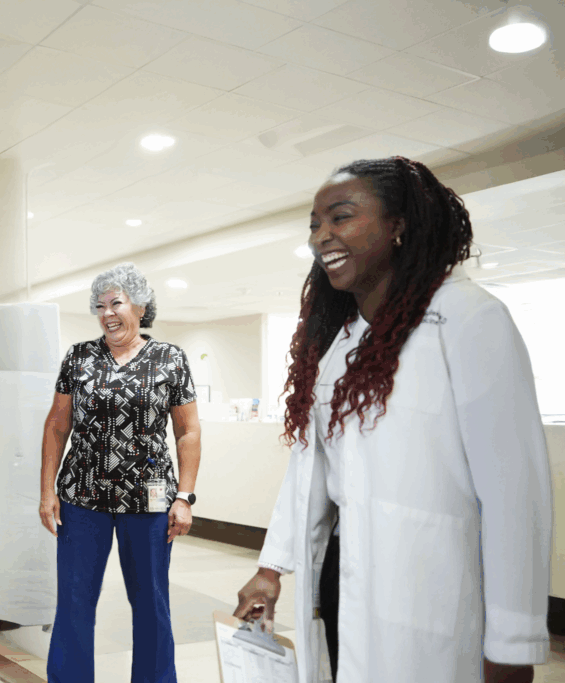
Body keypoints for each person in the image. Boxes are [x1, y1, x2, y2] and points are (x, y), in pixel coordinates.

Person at [232, 157, 552, 683]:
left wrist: (512, 645)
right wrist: (271, 570)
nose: (321, 237)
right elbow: (309, 472)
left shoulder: (469, 317)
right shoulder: (341, 344)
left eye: (341, 217)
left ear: (398, 226)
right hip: (345, 579)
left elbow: (515, 492)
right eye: (315, 224)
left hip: (436, 588)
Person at [39, 262, 201, 683]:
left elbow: (187, 431)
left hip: (147, 501)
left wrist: (184, 496)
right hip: (81, 497)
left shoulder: (170, 358)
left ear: (140, 305)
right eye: (99, 305)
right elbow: (57, 424)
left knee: (151, 603)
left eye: (116, 303)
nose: (107, 313)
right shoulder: (79, 356)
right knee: (74, 603)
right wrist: (46, 491)